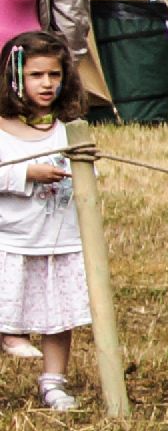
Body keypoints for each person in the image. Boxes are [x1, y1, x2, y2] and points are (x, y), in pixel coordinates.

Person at [0, 30, 87, 408]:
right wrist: (26, 175)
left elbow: (86, 181)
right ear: (15, 77)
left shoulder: (68, 130)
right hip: (11, 240)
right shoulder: (2, 131)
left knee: (58, 314)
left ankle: (54, 381)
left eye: (54, 74)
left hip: (59, 239)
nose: (47, 83)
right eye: (37, 75)